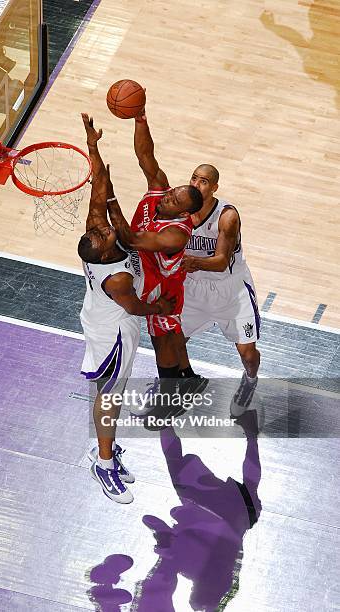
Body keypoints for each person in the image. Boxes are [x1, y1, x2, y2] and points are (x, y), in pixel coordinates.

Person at [79, 114, 175, 503]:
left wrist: (93, 145)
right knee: (110, 395)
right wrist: (161, 305)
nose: (102, 227)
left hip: (110, 321)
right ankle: (103, 462)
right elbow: (136, 307)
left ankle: (106, 449)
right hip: (113, 331)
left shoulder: (97, 236)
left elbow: (99, 188)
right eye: (101, 233)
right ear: (103, 251)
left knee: (112, 394)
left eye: (98, 228)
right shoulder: (115, 278)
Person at [107, 113, 207, 429]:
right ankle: (187, 378)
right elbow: (145, 155)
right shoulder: (158, 192)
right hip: (146, 275)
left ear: (185, 212)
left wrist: (110, 198)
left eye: (173, 199)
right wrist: (140, 118)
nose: (165, 197)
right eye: (169, 192)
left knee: (161, 340)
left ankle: (170, 402)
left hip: (162, 289)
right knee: (171, 334)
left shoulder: (176, 233)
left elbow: (132, 238)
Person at [179, 163, 261, 410]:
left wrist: (191, 261)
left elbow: (222, 262)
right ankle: (183, 382)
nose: (196, 184)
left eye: (203, 181)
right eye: (194, 178)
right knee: (172, 342)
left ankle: (250, 380)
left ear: (214, 188)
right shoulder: (179, 209)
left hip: (230, 289)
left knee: (247, 353)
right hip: (193, 288)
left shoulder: (227, 215)